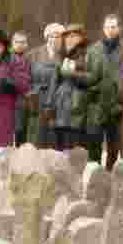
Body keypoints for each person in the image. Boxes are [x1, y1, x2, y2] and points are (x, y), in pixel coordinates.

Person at [48, 23, 99, 152]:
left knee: (76, 150)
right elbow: (54, 83)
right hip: (60, 109)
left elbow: (93, 78)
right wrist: (49, 106)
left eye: (74, 35)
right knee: (60, 150)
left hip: (79, 110)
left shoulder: (90, 54)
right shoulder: (61, 55)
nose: (70, 38)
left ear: (82, 37)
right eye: (68, 36)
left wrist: (73, 74)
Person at [86, 13, 123, 167]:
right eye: (108, 27)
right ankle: (94, 179)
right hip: (96, 105)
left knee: (114, 149)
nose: (110, 30)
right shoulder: (93, 51)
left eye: (113, 27)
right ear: (103, 29)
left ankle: (110, 177)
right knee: (94, 147)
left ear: (119, 29)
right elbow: (87, 76)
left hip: (116, 107)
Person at [28, 22, 64, 148]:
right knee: (36, 141)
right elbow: (26, 77)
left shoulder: (65, 56)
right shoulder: (33, 54)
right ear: (47, 37)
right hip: (37, 102)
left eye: (59, 36)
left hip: (57, 104)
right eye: (53, 36)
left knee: (53, 143)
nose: (55, 39)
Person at [9, 31, 32, 145]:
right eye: (17, 42)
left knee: (22, 133)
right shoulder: (7, 58)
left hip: (26, 102)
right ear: (12, 43)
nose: (19, 44)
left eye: (22, 42)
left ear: (27, 44)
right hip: (10, 100)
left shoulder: (30, 58)